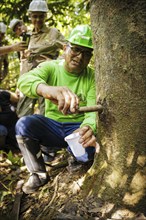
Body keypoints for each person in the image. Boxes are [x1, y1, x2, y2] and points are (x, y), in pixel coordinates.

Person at [15, 24, 99, 194]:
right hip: (52, 126)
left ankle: (74, 156)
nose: (79, 56)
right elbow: (24, 81)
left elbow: (92, 112)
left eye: (86, 53)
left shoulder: (91, 77)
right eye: (75, 49)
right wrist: (47, 90)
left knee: (85, 155)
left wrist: (89, 127)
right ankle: (38, 174)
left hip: (77, 129)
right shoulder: (51, 67)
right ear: (65, 48)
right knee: (24, 125)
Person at [15, 0, 66, 118]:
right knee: (23, 112)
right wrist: (19, 83)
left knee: (46, 112)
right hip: (28, 76)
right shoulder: (27, 35)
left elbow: (67, 48)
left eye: (41, 16)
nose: (38, 20)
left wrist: (57, 64)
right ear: (30, 17)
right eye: (35, 16)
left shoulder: (53, 32)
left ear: (45, 16)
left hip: (46, 76)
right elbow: (23, 61)